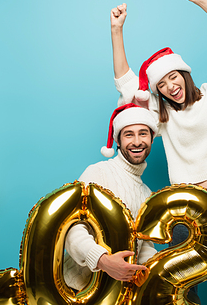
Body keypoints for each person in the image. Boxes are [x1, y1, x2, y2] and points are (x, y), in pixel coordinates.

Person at [109, 0, 207, 300]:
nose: (169, 86)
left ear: (183, 73)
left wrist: (200, 0)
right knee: (180, 289)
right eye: (161, 84)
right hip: (189, 206)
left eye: (173, 77)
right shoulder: (163, 117)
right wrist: (116, 31)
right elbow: (126, 87)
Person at [63, 103, 158, 291]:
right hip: (76, 290)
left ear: (152, 139)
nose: (137, 141)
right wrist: (102, 260)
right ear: (118, 141)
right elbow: (70, 226)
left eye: (143, 133)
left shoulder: (147, 193)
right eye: (129, 134)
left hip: (117, 294)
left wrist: (145, 271)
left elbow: (145, 243)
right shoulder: (98, 172)